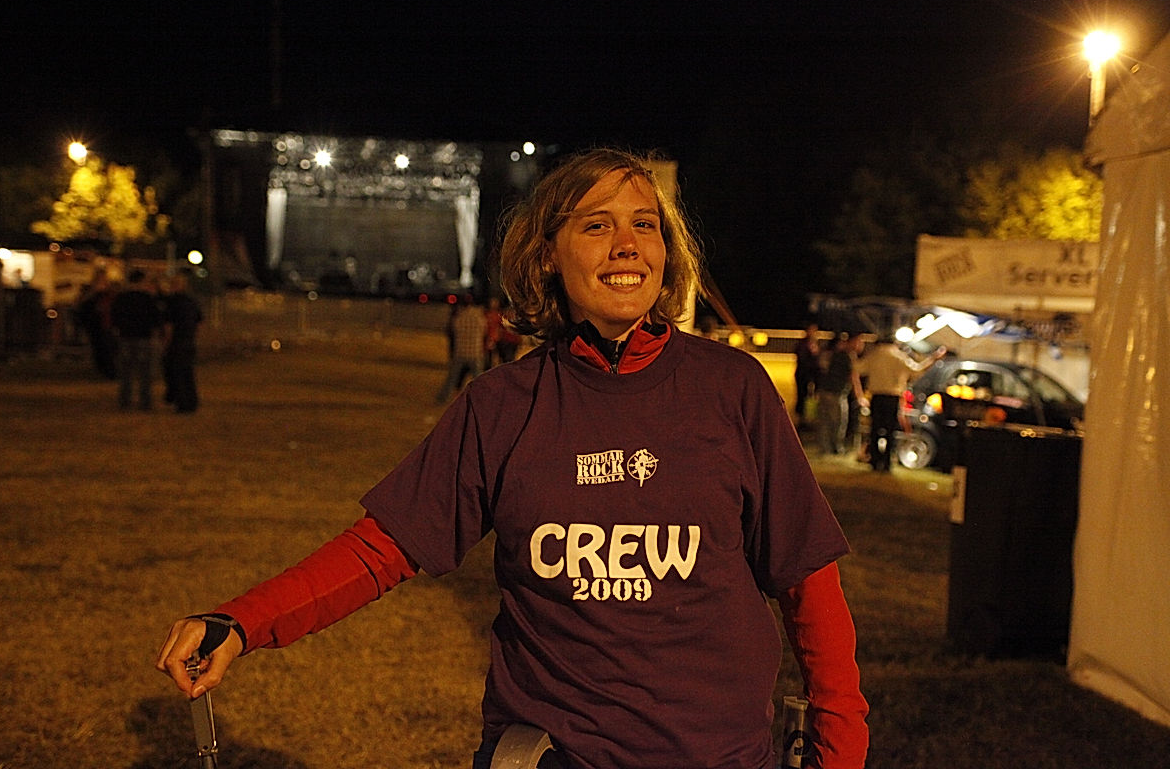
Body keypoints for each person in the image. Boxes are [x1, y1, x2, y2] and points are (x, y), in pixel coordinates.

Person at [156, 148, 869, 769]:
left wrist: (840, 751)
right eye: (598, 225)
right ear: (548, 254)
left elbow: (808, 580)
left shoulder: (734, 389)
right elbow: (381, 550)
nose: (627, 245)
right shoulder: (502, 404)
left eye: (645, 225)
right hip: (548, 755)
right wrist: (242, 622)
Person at [860, 337, 946, 472]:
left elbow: (860, 368)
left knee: (875, 429)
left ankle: (875, 460)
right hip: (892, 397)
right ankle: (886, 462)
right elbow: (917, 370)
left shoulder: (875, 355)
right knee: (890, 430)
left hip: (877, 396)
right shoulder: (899, 356)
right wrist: (933, 358)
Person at [110, 268, 163, 411]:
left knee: (126, 371)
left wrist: (118, 330)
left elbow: (114, 316)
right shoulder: (148, 298)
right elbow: (156, 318)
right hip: (144, 337)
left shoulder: (121, 298)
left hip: (126, 336)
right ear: (142, 281)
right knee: (145, 371)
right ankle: (145, 401)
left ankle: (125, 400)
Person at [814, 333, 867, 455]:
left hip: (824, 391)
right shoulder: (848, 356)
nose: (861, 345)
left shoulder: (834, 353)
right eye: (859, 342)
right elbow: (854, 377)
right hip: (836, 393)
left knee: (824, 420)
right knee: (838, 422)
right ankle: (836, 447)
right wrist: (860, 396)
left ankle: (824, 448)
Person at [161, 270, 204, 413]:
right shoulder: (191, 301)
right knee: (188, 373)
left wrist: (166, 343)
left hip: (177, 342)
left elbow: (169, 326)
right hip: (188, 341)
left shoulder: (172, 302)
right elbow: (199, 322)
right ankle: (192, 401)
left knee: (177, 373)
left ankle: (183, 403)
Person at [436, 294, 488, 402]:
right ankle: (483, 400)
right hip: (475, 352)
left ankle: (443, 397)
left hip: (460, 351)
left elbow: (453, 331)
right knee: (478, 379)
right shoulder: (478, 317)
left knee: (452, 378)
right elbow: (484, 330)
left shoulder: (459, 317)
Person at [793, 322, 821, 427]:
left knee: (812, 397)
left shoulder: (815, 343)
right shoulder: (802, 344)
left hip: (812, 374)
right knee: (802, 396)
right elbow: (802, 359)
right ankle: (801, 419)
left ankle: (809, 418)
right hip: (803, 374)